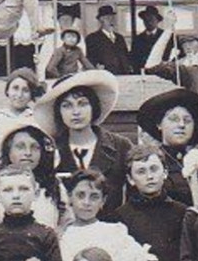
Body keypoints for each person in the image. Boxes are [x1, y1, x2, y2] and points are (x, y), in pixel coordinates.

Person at [37, 69, 132, 212]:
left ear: (94, 107)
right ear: (59, 112)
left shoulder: (120, 146)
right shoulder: (50, 150)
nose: (76, 112)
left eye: (82, 104)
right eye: (67, 105)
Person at [104, 144, 188, 261]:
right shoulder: (120, 217)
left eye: (154, 169)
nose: (149, 176)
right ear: (131, 179)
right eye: (141, 171)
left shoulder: (182, 212)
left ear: (165, 172)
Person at [135, 85, 198, 205]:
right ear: (159, 124)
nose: (182, 125)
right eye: (174, 119)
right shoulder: (151, 161)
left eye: (187, 121)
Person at [82, 5, 132, 76]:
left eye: (112, 18)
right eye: (107, 18)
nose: (111, 21)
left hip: (123, 75)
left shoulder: (120, 38)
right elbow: (90, 58)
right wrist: (96, 67)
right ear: (101, 20)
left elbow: (125, 56)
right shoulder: (92, 38)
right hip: (105, 75)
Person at [129, 5, 168, 74]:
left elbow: (176, 56)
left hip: (163, 73)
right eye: (146, 20)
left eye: (151, 19)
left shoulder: (166, 37)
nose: (149, 22)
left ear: (157, 21)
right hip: (143, 75)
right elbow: (133, 59)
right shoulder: (138, 39)